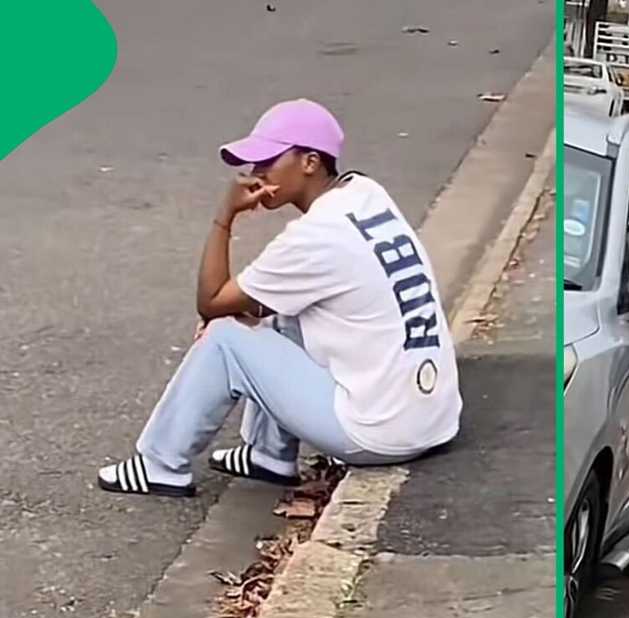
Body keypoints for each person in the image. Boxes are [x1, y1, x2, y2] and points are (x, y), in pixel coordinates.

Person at [97, 99, 462, 497]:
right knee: (277, 311)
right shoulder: (364, 193)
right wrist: (243, 311)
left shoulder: (317, 235)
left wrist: (224, 216)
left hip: (380, 435)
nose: (256, 173)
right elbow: (258, 300)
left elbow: (212, 300)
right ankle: (269, 455)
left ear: (310, 162)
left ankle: (161, 465)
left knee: (224, 336)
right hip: (432, 419)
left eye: (268, 161)